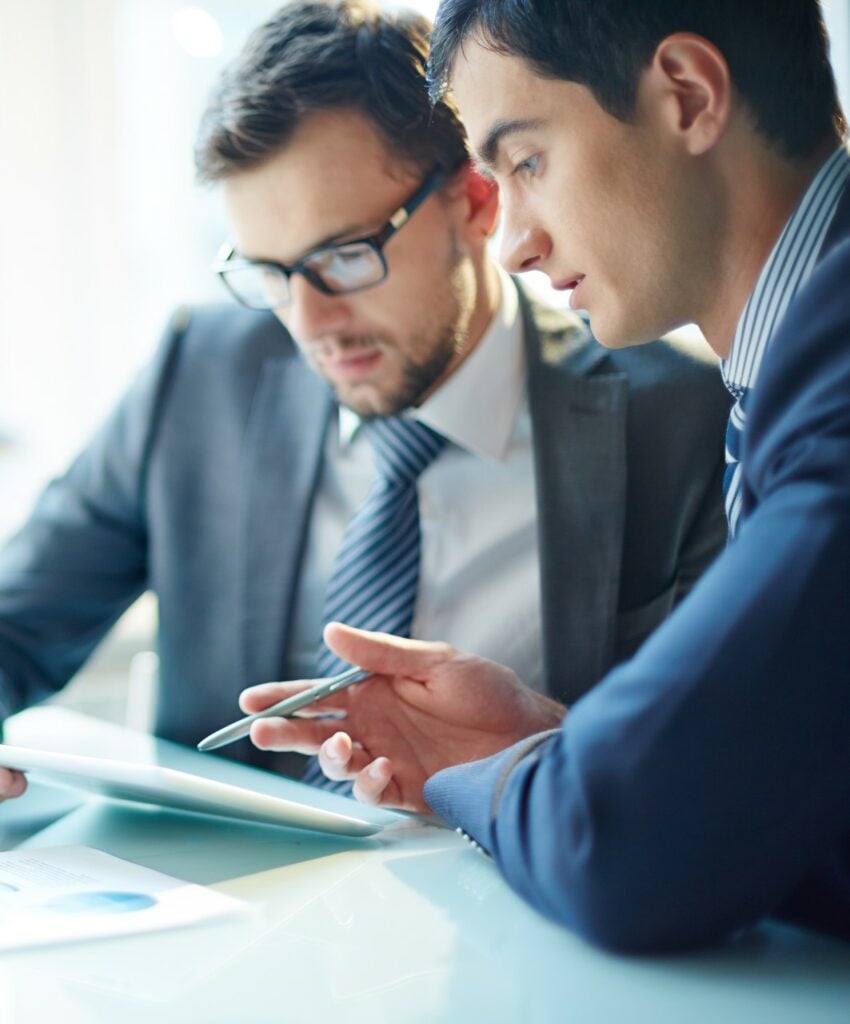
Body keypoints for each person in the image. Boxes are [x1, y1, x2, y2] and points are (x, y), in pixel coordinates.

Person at [0, 1, 727, 798]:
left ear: (476, 202)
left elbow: (720, 757)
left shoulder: (681, 421)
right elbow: (19, 620)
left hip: (512, 902)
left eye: (344, 258)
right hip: (226, 905)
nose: (310, 324)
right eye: (270, 274)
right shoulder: (201, 372)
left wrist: (545, 746)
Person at [246, 0, 850, 951]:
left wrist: (513, 775)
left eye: (526, 160)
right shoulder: (788, 370)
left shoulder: (832, 379)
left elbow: (629, 845)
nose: (514, 242)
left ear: (688, 96)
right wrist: (552, 747)